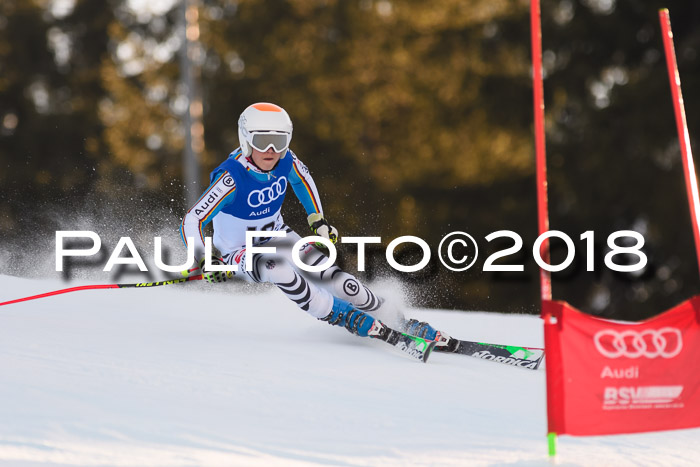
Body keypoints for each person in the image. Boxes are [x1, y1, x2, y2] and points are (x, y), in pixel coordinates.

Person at [180, 102, 453, 346]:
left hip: (278, 236)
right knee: (278, 269)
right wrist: (205, 256)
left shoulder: (284, 160)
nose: (271, 150)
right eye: (262, 141)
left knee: (340, 282)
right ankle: (340, 315)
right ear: (246, 139)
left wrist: (318, 220)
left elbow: (303, 181)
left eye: (280, 140)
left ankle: (396, 319)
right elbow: (193, 219)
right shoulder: (231, 178)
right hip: (237, 251)